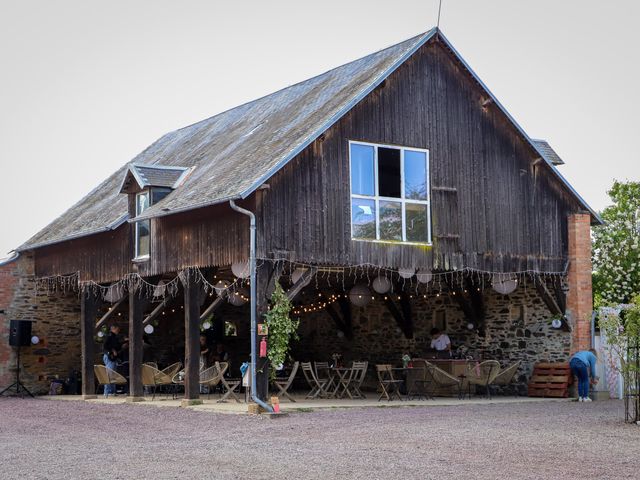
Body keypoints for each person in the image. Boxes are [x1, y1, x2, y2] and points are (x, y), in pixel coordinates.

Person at [103, 324, 126, 397]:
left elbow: (117, 346)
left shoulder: (114, 337)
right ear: (113, 328)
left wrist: (123, 343)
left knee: (112, 375)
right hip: (110, 356)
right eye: (117, 329)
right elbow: (105, 346)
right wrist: (112, 350)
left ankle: (112, 391)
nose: (118, 331)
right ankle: (108, 392)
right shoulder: (109, 336)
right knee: (110, 374)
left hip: (112, 357)